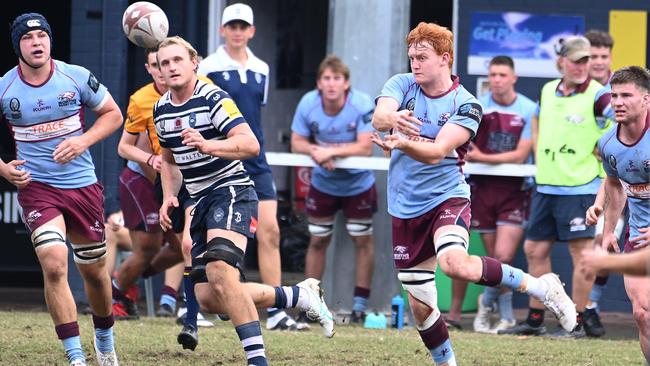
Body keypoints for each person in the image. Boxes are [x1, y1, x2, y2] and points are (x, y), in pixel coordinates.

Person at [370, 22, 575, 365]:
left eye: (422, 57)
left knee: (454, 264)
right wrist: (393, 117)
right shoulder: (403, 84)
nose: (414, 64)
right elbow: (379, 116)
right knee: (421, 307)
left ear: (445, 59)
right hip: (404, 205)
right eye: (411, 58)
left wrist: (402, 141)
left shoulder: (467, 104)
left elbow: (437, 151)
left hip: (447, 197)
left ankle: (542, 287)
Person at [154, 36, 334, 365]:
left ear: (194, 62)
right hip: (199, 200)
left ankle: (257, 360)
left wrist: (210, 146)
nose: (171, 67)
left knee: (222, 272)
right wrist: (168, 196)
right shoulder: (162, 108)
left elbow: (249, 144)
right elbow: (168, 158)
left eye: (177, 60)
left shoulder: (212, 97)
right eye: (164, 63)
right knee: (209, 296)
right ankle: (298, 295)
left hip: (232, 190)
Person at [0, 13, 122, 366]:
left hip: (82, 187)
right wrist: (5, 170)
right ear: (17, 46)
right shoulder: (6, 87)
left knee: (95, 274)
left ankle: (104, 339)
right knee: (54, 265)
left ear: (50, 41)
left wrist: (83, 141)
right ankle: (75, 357)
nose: (36, 42)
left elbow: (114, 114)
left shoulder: (76, 76)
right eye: (28, 37)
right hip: (37, 188)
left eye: (42, 35)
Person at [500, 36, 614, 339]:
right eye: (576, 60)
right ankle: (536, 318)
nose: (582, 66)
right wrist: (540, 153)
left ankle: (575, 323)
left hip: (580, 189)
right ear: (561, 61)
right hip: (546, 186)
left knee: (583, 256)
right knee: (534, 249)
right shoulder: (548, 90)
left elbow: (623, 120)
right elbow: (536, 119)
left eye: (586, 60)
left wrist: (604, 146)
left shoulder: (599, 95)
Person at [197, 3, 299, 331]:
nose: (237, 32)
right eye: (232, 26)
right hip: (218, 162)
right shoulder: (208, 67)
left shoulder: (262, 69)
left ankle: (278, 311)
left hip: (256, 160)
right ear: (222, 30)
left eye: (243, 26)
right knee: (204, 238)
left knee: (270, 231)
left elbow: (255, 115)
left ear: (252, 31)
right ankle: (199, 306)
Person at [115, 46, 212, 347]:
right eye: (158, 64)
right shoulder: (143, 100)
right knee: (149, 248)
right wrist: (151, 159)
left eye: (171, 61)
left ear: (190, 64)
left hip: (185, 178)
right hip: (145, 179)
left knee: (180, 247)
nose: (165, 69)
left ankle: (128, 285)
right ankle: (116, 295)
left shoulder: (204, 89)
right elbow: (123, 147)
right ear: (149, 68)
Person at [290, 55, 377, 323]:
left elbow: (366, 145)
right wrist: (316, 150)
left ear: (346, 84)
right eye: (326, 78)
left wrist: (330, 152)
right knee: (317, 241)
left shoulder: (361, 103)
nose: (331, 84)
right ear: (319, 83)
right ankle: (310, 305)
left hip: (358, 183)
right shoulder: (308, 103)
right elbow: (297, 142)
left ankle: (359, 307)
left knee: (362, 240)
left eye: (336, 79)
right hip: (323, 183)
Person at [465, 55, 535, 334]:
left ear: (513, 78)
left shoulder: (529, 108)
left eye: (502, 75)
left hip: (514, 190)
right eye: (492, 74)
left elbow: (520, 156)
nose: (496, 80)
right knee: (495, 259)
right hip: (483, 189)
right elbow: (468, 148)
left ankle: (487, 303)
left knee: (504, 255)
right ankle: (505, 317)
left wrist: (483, 156)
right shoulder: (476, 107)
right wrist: (478, 157)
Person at [585, 66, 650, 361]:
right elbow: (614, 183)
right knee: (642, 313)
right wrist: (609, 230)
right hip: (638, 237)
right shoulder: (608, 144)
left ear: (646, 100)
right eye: (614, 95)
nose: (618, 102)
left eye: (627, 95)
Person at [583, 29, 620, 336]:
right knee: (594, 248)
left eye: (603, 56)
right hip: (585, 183)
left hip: (620, 183)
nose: (597, 62)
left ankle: (590, 307)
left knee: (606, 246)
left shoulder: (620, 91)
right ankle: (584, 310)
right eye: (592, 56)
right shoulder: (577, 90)